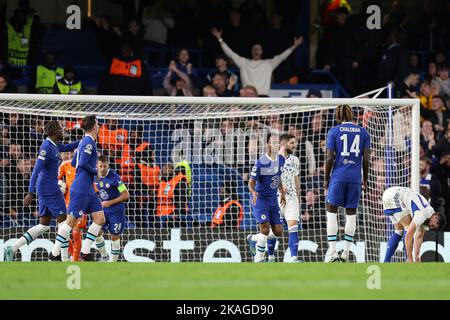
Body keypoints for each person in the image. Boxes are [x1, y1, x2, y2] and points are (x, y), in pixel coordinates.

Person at [3, 121, 79, 261]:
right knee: (64, 222)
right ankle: (62, 258)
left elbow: (68, 146)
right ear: (53, 131)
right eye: (60, 129)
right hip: (49, 188)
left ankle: (12, 248)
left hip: (46, 187)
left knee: (44, 225)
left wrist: (85, 140)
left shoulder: (54, 145)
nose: (62, 131)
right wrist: (30, 192)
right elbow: (36, 170)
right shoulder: (46, 147)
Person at [53, 115, 106, 262]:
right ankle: (54, 252)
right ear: (94, 127)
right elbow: (81, 163)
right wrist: (96, 172)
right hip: (82, 188)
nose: (100, 126)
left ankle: (85, 250)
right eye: (98, 124)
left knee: (100, 219)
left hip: (88, 188)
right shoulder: (88, 142)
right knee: (70, 222)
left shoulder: (85, 141)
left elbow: (75, 162)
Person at [324, 104, 370, 262]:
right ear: (352, 116)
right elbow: (366, 159)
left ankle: (333, 252)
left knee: (331, 213)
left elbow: (330, 158)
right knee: (351, 216)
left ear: (337, 116)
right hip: (355, 178)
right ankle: (346, 253)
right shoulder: (363, 132)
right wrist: (365, 179)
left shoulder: (334, 131)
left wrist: (326, 178)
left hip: (338, 177)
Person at [211, 27, 303, 96]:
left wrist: (294, 46)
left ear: (262, 52)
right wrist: (220, 39)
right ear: (251, 51)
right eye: (254, 49)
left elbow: (282, 56)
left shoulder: (269, 64)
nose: (256, 51)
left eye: (258, 49)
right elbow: (230, 53)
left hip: (263, 98)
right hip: (247, 98)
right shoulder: (243, 63)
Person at [246, 134, 286, 263]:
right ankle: (259, 258)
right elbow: (251, 181)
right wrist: (253, 192)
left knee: (278, 231)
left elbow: (277, 177)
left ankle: (253, 238)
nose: (275, 145)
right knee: (264, 229)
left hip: (273, 199)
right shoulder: (261, 162)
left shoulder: (281, 159)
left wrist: (282, 192)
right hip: (261, 199)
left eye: (277, 142)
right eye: (273, 142)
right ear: (267, 144)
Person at [382, 186, 447, 262]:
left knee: (399, 231)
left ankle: (386, 261)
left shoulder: (430, 213)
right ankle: (408, 260)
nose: (430, 227)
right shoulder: (423, 214)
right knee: (408, 227)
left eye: (432, 228)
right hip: (395, 197)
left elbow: (419, 236)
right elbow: (408, 235)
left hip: (389, 193)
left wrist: (416, 255)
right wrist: (410, 257)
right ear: (435, 217)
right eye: (432, 225)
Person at [268, 134, 301, 263]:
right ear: (284, 144)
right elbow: (269, 179)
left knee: (293, 225)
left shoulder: (295, 160)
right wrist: (278, 188)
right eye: (292, 143)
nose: (294, 145)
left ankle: (293, 258)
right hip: (275, 198)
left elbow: (296, 178)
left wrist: (298, 195)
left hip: (291, 198)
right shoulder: (273, 159)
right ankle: (270, 256)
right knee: (275, 230)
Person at [94, 156, 130, 262]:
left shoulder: (115, 178)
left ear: (108, 165)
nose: (103, 169)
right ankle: (105, 256)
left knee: (114, 236)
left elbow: (126, 195)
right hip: (103, 211)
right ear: (97, 166)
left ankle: (112, 263)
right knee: (96, 232)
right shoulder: (95, 176)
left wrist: (110, 202)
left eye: (105, 166)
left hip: (116, 211)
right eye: (100, 166)